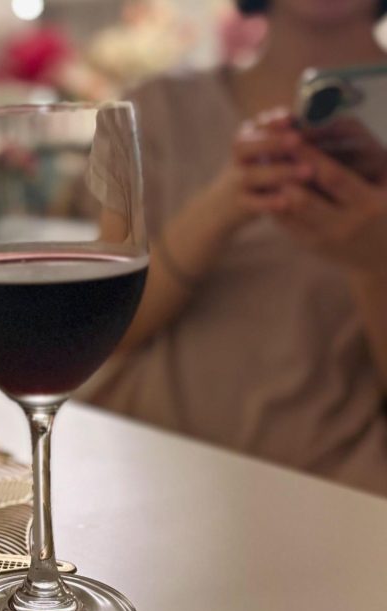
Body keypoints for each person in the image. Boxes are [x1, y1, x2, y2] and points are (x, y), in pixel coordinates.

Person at [83, 0, 387, 496]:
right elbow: (99, 329)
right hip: (143, 472)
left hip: (330, 492)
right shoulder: (150, 112)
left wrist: (371, 259)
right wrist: (222, 206)